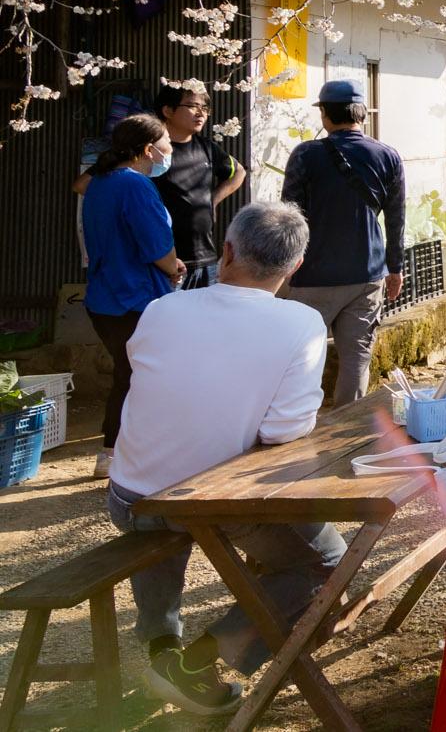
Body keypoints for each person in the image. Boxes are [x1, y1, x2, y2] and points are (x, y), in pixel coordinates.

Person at [105, 201, 328, 716]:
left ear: (226, 251)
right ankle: (194, 662)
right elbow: (284, 431)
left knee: (158, 509)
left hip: (128, 496)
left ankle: (162, 649)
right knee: (324, 559)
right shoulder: (302, 323)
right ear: (294, 267)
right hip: (211, 503)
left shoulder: (163, 308)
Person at [281, 79, 405, 405]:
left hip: (311, 275)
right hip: (367, 274)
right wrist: (396, 269)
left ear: (324, 115)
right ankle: (343, 432)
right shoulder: (388, 156)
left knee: (303, 358)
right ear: (362, 114)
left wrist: (284, 269)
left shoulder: (305, 155)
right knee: (356, 360)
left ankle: (296, 422)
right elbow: (395, 219)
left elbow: (288, 215)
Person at [80, 112, 184, 479]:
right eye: (167, 146)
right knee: (145, 377)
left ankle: (113, 452)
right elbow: (157, 245)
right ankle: (126, 454)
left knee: (129, 374)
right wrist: (174, 267)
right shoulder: (136, 186)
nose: (170, 153)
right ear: (147, 150)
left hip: (104, 299)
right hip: (136, 298)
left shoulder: (100, 182)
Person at [73, 81, 246, 293]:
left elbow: (239, 172)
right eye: (192, 106)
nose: (201, 113)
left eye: (205, 108)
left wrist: (214, 200)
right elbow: (83, 185)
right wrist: (139, 209)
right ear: (167, 110)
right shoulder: (140, 153)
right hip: (161, 263)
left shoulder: (208, 148)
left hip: (204, 259)